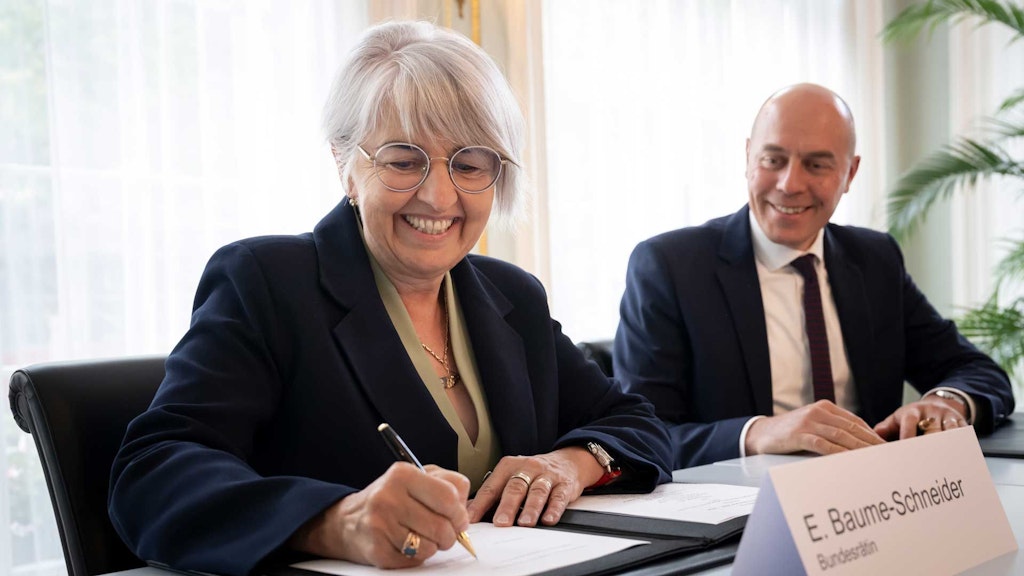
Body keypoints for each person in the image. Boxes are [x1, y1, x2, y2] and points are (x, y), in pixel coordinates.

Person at [109, 21, 672, 576]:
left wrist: (569, 464)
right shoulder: (265, 282)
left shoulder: (512, 295)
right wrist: (335, 520)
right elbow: (152, 475)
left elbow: (635, 422)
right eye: (404, 160)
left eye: (470, 164)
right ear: (344, 165)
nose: (439, 195)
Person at [614, 83, 1015, 470]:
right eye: (773, 160)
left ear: (850, 174)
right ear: (749, 157)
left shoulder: (875, 259)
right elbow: (640, 434)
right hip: (740, 507)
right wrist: (757, 433)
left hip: (873, 501)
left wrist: (946, 401)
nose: (790, 184)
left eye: (817, 165)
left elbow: (978, 372)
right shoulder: (669, 266)